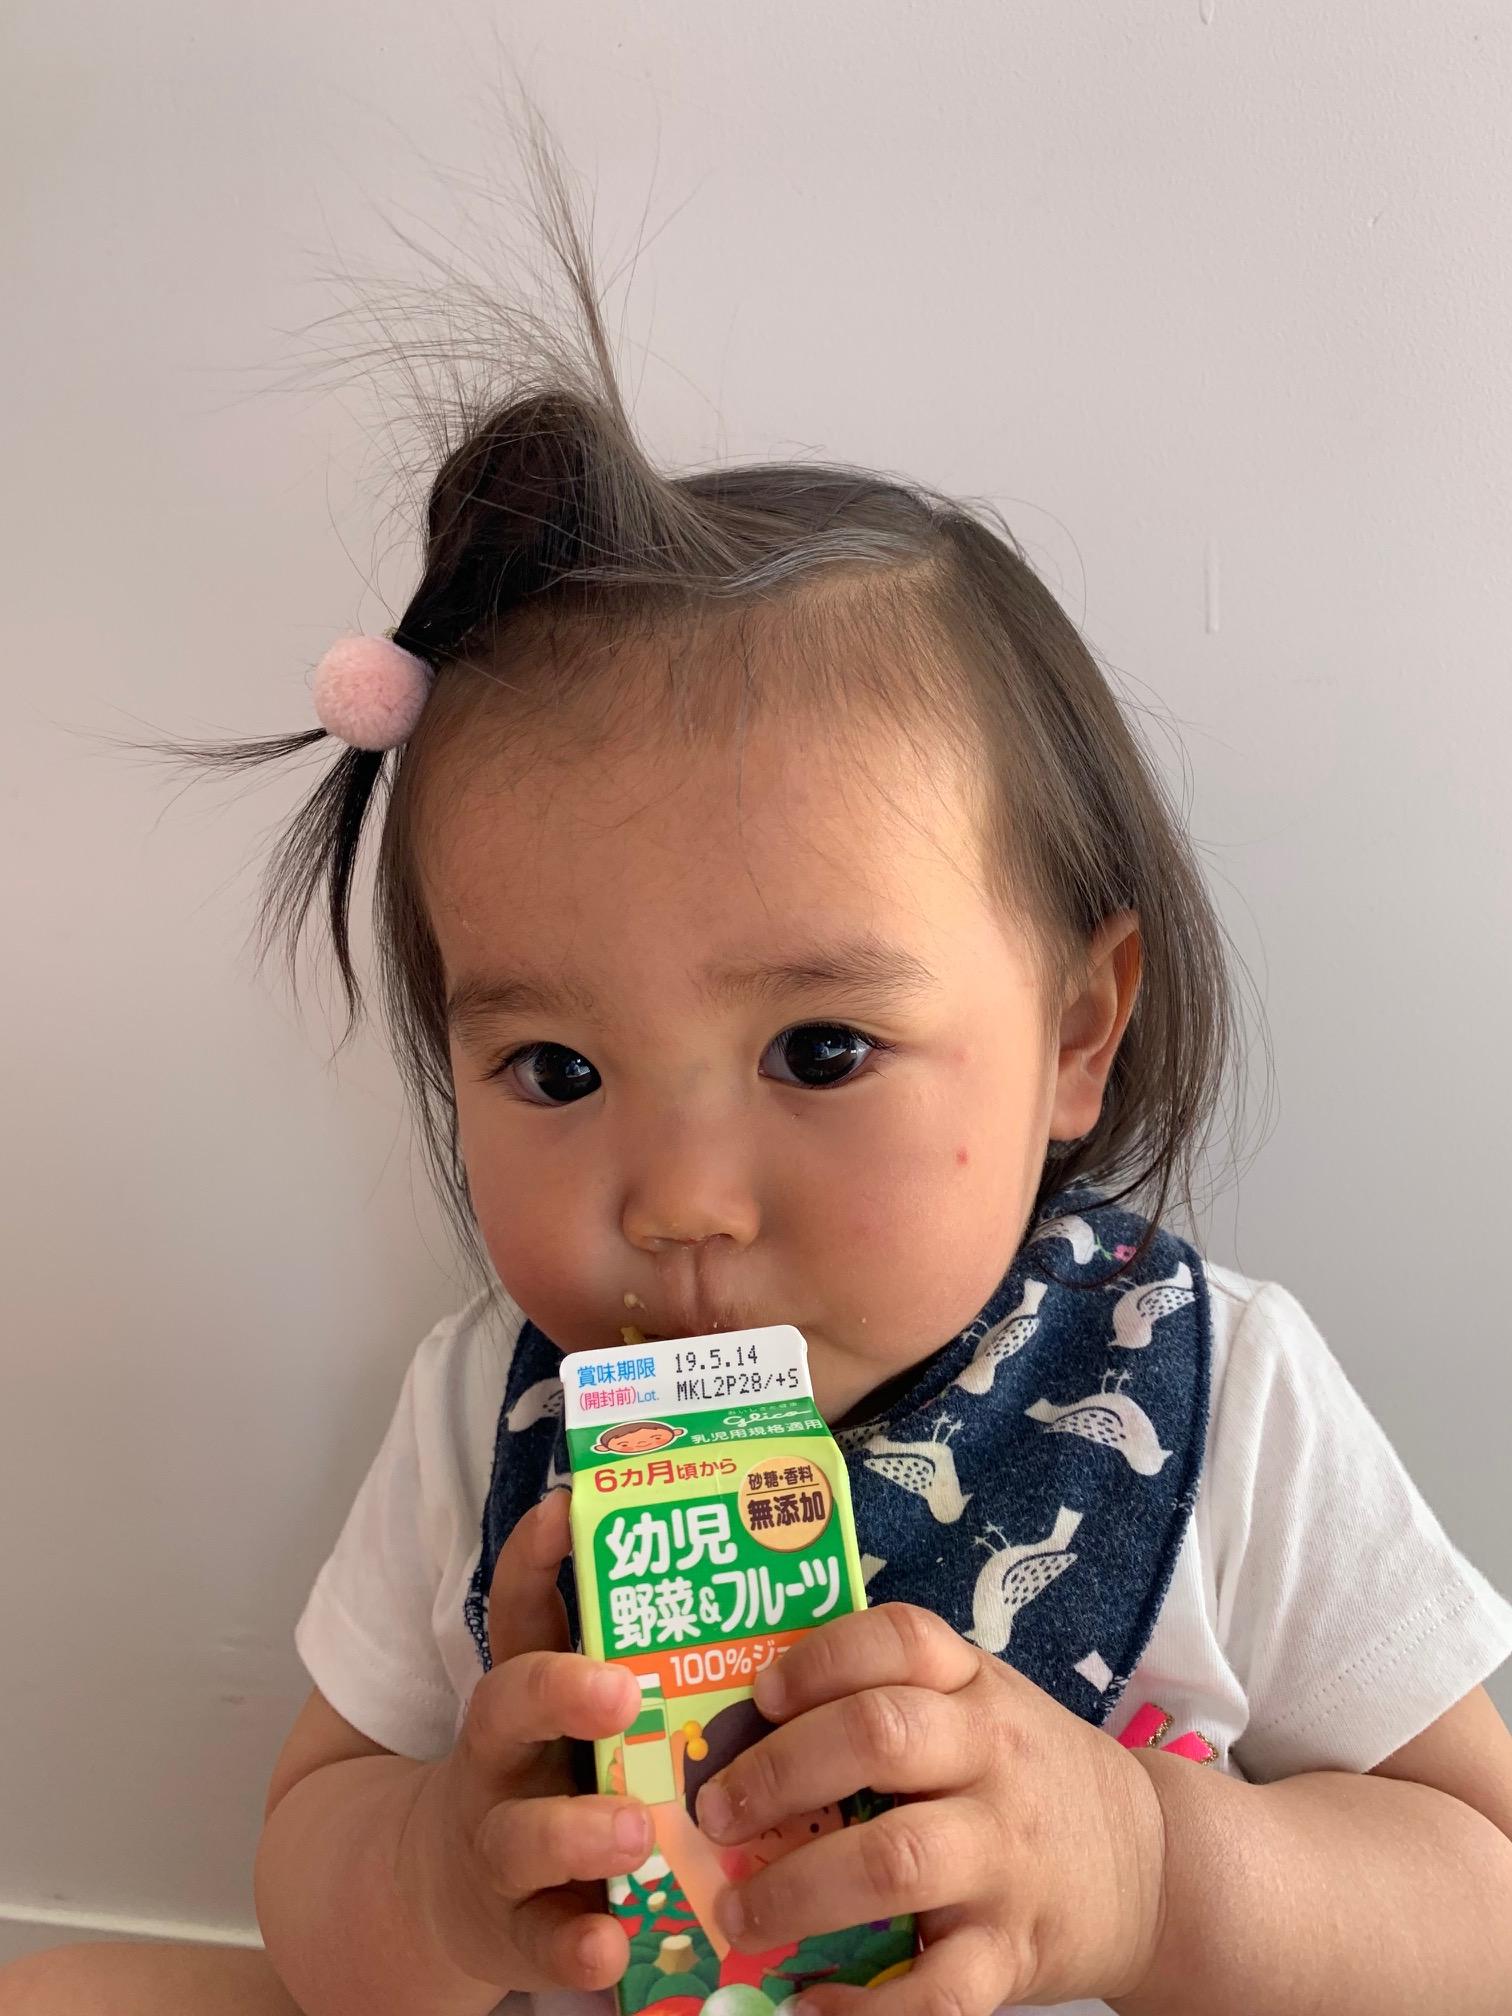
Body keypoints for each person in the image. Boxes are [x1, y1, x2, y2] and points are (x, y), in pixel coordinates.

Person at [9, 170, 1512, 2016]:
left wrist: (1145, 1866)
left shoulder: (1217, 1390)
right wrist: (433, 1874)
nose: (680, 1202)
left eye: (820, 1050)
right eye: (556, 1070)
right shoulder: (490, 1407)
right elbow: (313, 1854)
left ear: (1074, 1032)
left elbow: (1484, 1900)